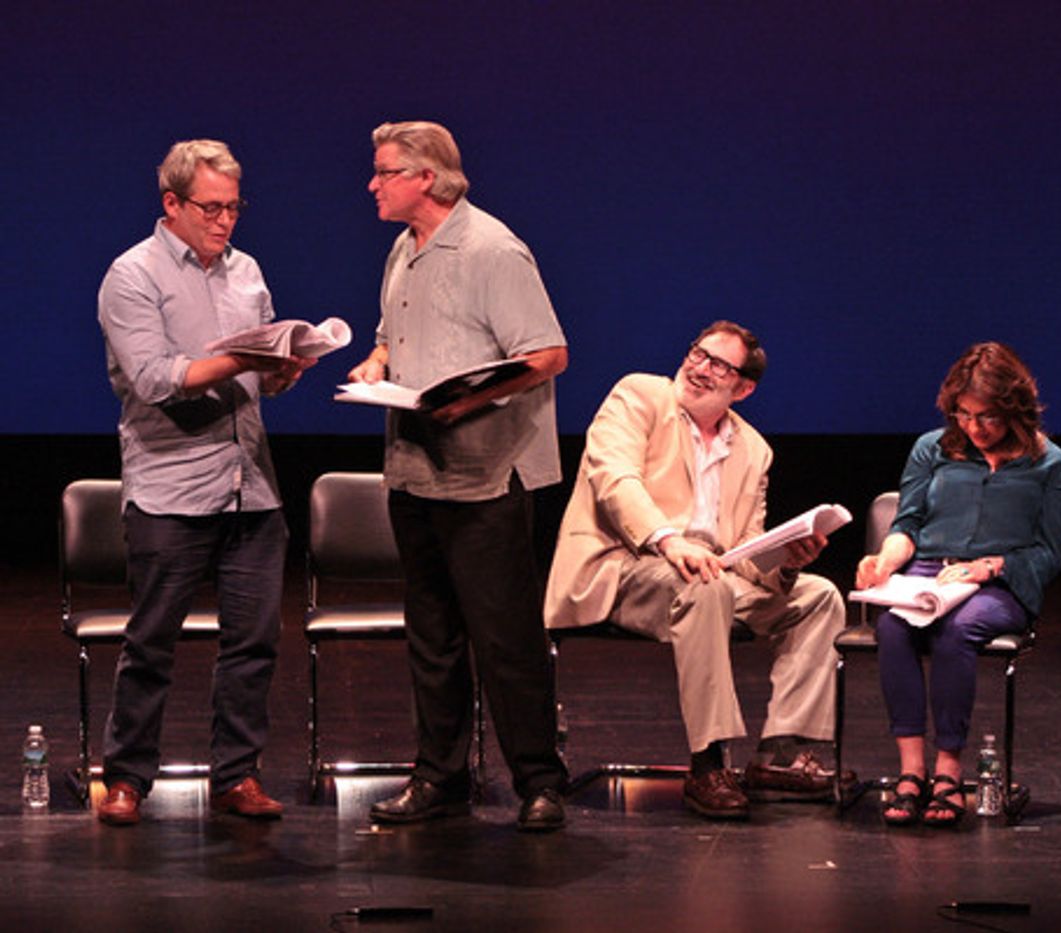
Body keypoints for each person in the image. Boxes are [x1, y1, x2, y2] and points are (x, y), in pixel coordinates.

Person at [347, 120, 570, 832]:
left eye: (385, 172)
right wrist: (378, 362)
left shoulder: (492, 249)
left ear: (428, 180)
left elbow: (547, 354)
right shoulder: (402, 248)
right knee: (432, 633)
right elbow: (393, 329)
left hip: (482, 475)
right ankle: (439, 775)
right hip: (415, 470)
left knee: (505, 638)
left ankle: (540, 780)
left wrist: (462, 401)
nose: (372, 184)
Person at [544, 321, 848, 820]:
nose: (699, 368)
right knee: (705, 586)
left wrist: (787, 563)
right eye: (698, 354)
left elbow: (747, 552)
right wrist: (670, 541)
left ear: (744, 388)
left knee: (819, 596)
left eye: (718, 365)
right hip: (625, 564)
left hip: (712, 574)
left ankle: (780, 757)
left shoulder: (753, 449)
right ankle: (709, 764)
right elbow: (615, 480)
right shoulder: (639, 395)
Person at [95, 139, 314, 826]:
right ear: (172, 204)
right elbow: (157, 378)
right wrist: (240, 359)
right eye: (211, 208)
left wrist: (281, 369)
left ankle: (236, 775)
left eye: (234, 208)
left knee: (253, 640)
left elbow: (260, 379)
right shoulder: (132, 275)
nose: (225, 221)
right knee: (152, 638)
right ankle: (127, 778)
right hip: (170, 485)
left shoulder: (246, 271)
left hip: (250, 482)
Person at [855, 342, 1061, 827]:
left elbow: (1049, 551)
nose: (974, 428)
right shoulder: (932, 448)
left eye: (988, 417)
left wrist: (991, 566)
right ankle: (911, 772)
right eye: (963, 414)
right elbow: (906, 524)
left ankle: (948, 771)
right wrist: (885, 561)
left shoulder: (1050, 463)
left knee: (960, 630)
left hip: (1000, 582)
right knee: (892, 626)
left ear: (1014, 411)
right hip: (930, 572)